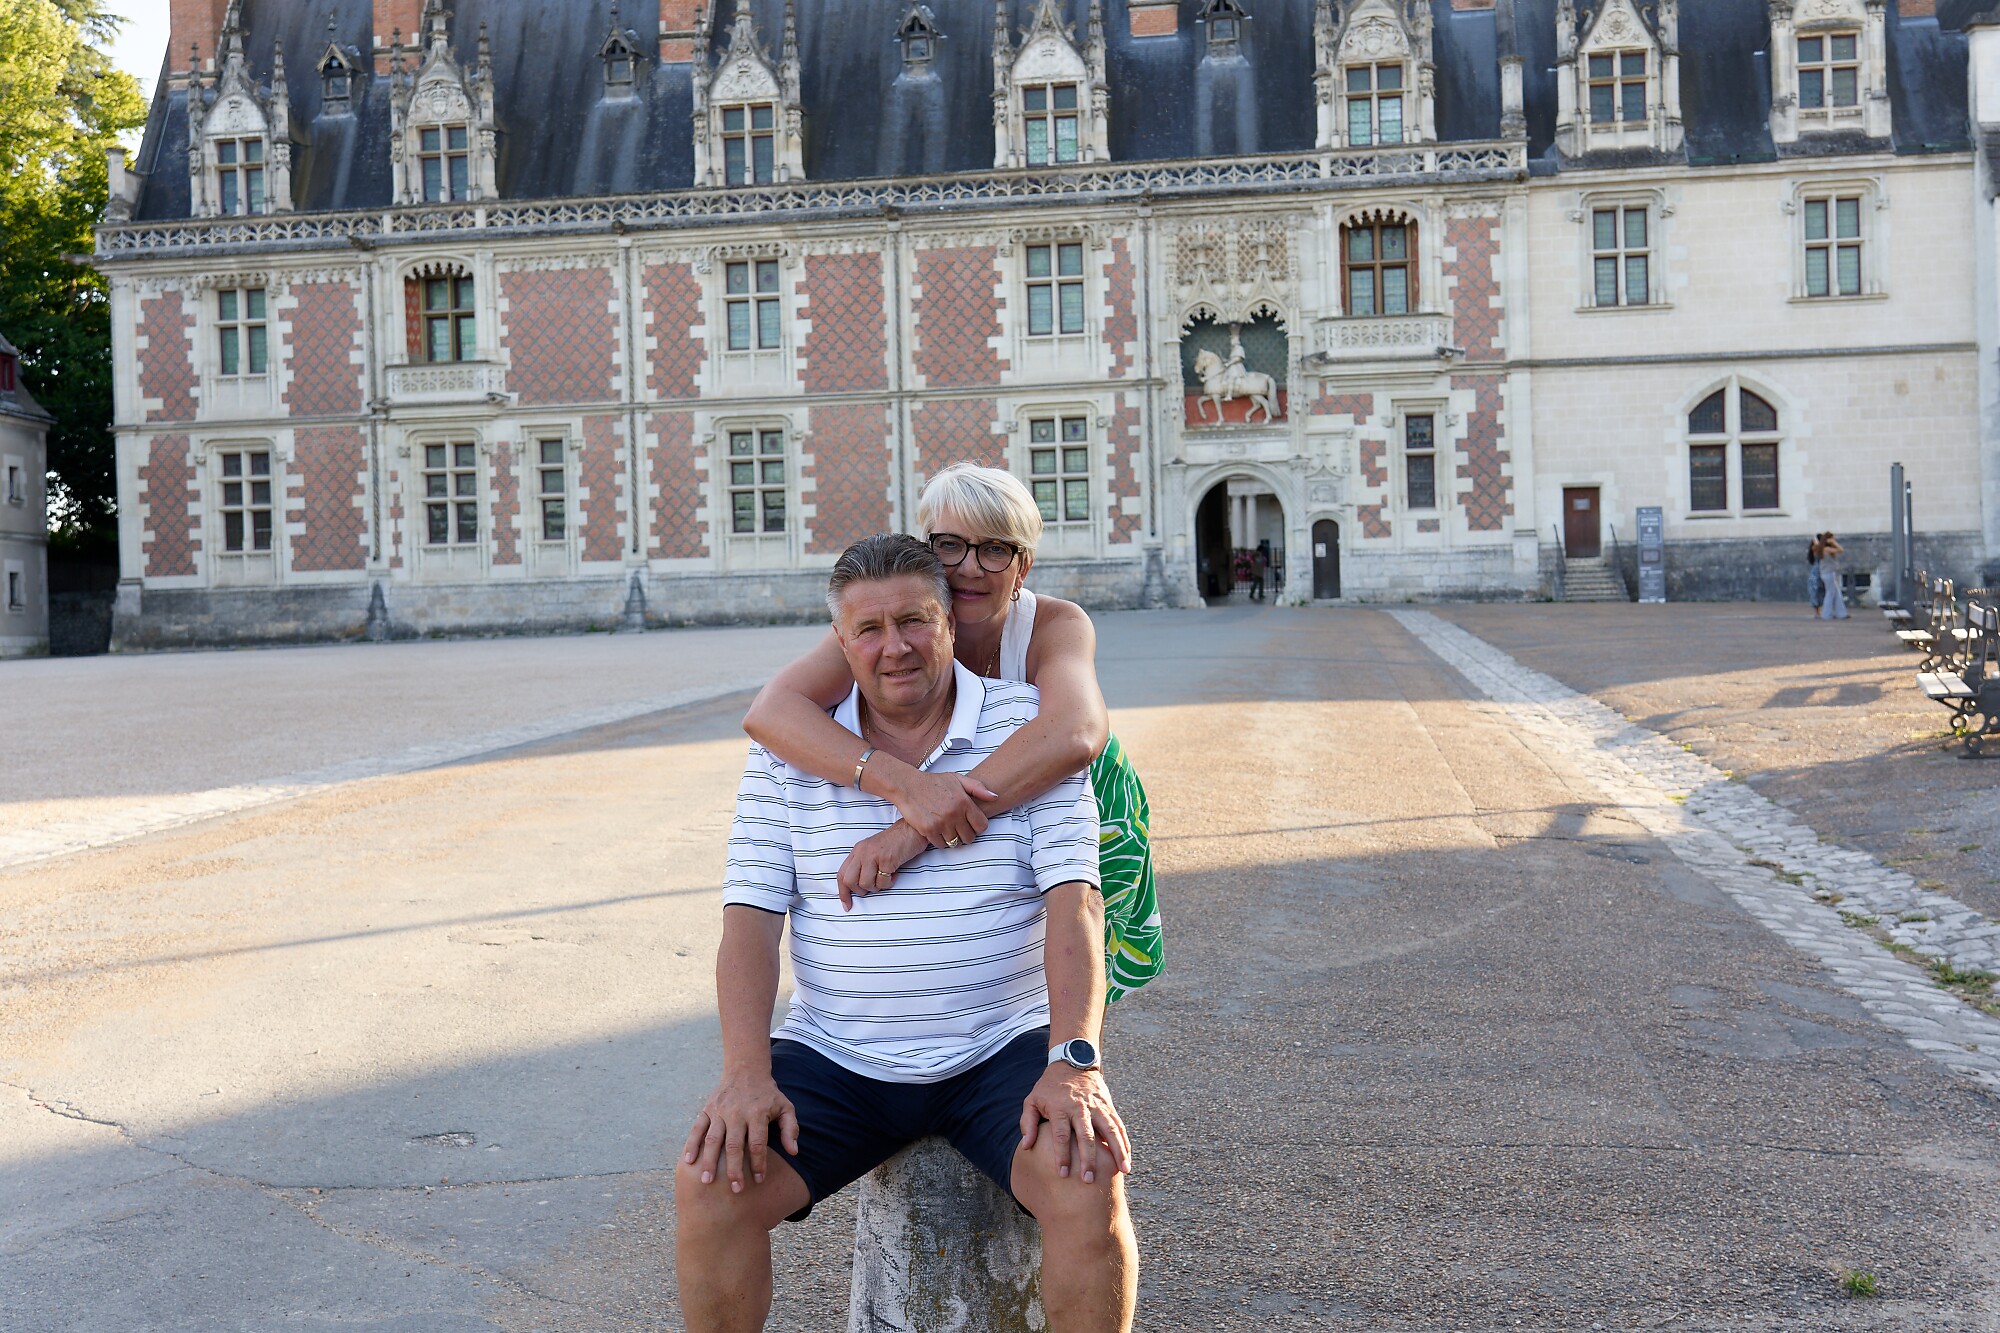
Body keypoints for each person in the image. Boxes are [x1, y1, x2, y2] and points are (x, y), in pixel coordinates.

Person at [677, 534, 1139, 1333]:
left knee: (1087, 1171)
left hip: (998, 1045)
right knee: (711, 1183)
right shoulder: (790, 752)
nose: (895, 647)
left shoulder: (1024, 724)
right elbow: (749, 919)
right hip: (840, 1052)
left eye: (915, 620)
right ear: (842, 641)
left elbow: (1077, 903)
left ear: (950, 623)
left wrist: (1073, 1059)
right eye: (869, 629)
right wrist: (746, 1071)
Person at [742, 463, 1163, 1003]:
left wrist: (914, 828)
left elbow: (1075, 731)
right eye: (949, 545)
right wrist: (905, 786)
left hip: (1059, 778)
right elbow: (770, 712)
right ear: (925, 547)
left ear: (1024, 566)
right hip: (963, 783)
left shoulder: (1054, 625)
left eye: (995, 549)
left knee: (1079, 942)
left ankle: (1067, 1041)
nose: (968, 568)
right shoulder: (895, 624)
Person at [1819, 534, 1849, 620]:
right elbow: (1841, 549)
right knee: (1830, 593)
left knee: (1836, 593)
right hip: (1829, 573)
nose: (1834, 539)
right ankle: (1826, 614)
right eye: (1832, 538)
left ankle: (1840, 613)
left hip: (1828, 573)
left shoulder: (1823, 549)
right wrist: (1834, 543)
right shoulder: (1826, 549)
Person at [1807, 533, 1825, 615]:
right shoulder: (1816, 548)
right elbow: (1818, 547)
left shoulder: (1824, 548)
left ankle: (1822, 609)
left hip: (1822, 570)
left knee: (1821, 590)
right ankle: (1817, 611)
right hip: (1818, 571)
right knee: (1816, 589)